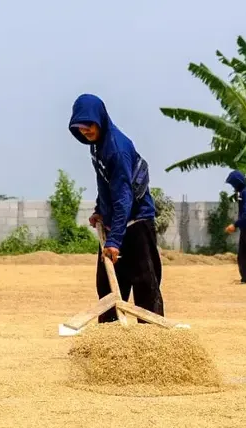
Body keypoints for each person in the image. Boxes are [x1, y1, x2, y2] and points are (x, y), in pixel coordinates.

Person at [68, 93, 164, 323]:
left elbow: (124, 196)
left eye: (89, 125)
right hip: (116, 224)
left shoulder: (117, 150)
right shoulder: (97, 146)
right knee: (108, 288)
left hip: (137, 224)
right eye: (80, 128)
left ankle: (153, 344)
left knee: (145, 287)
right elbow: (105, 184)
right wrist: (99, 210)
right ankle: (109, 344)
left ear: (100, 119)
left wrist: (114, 240)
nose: (86, 131)